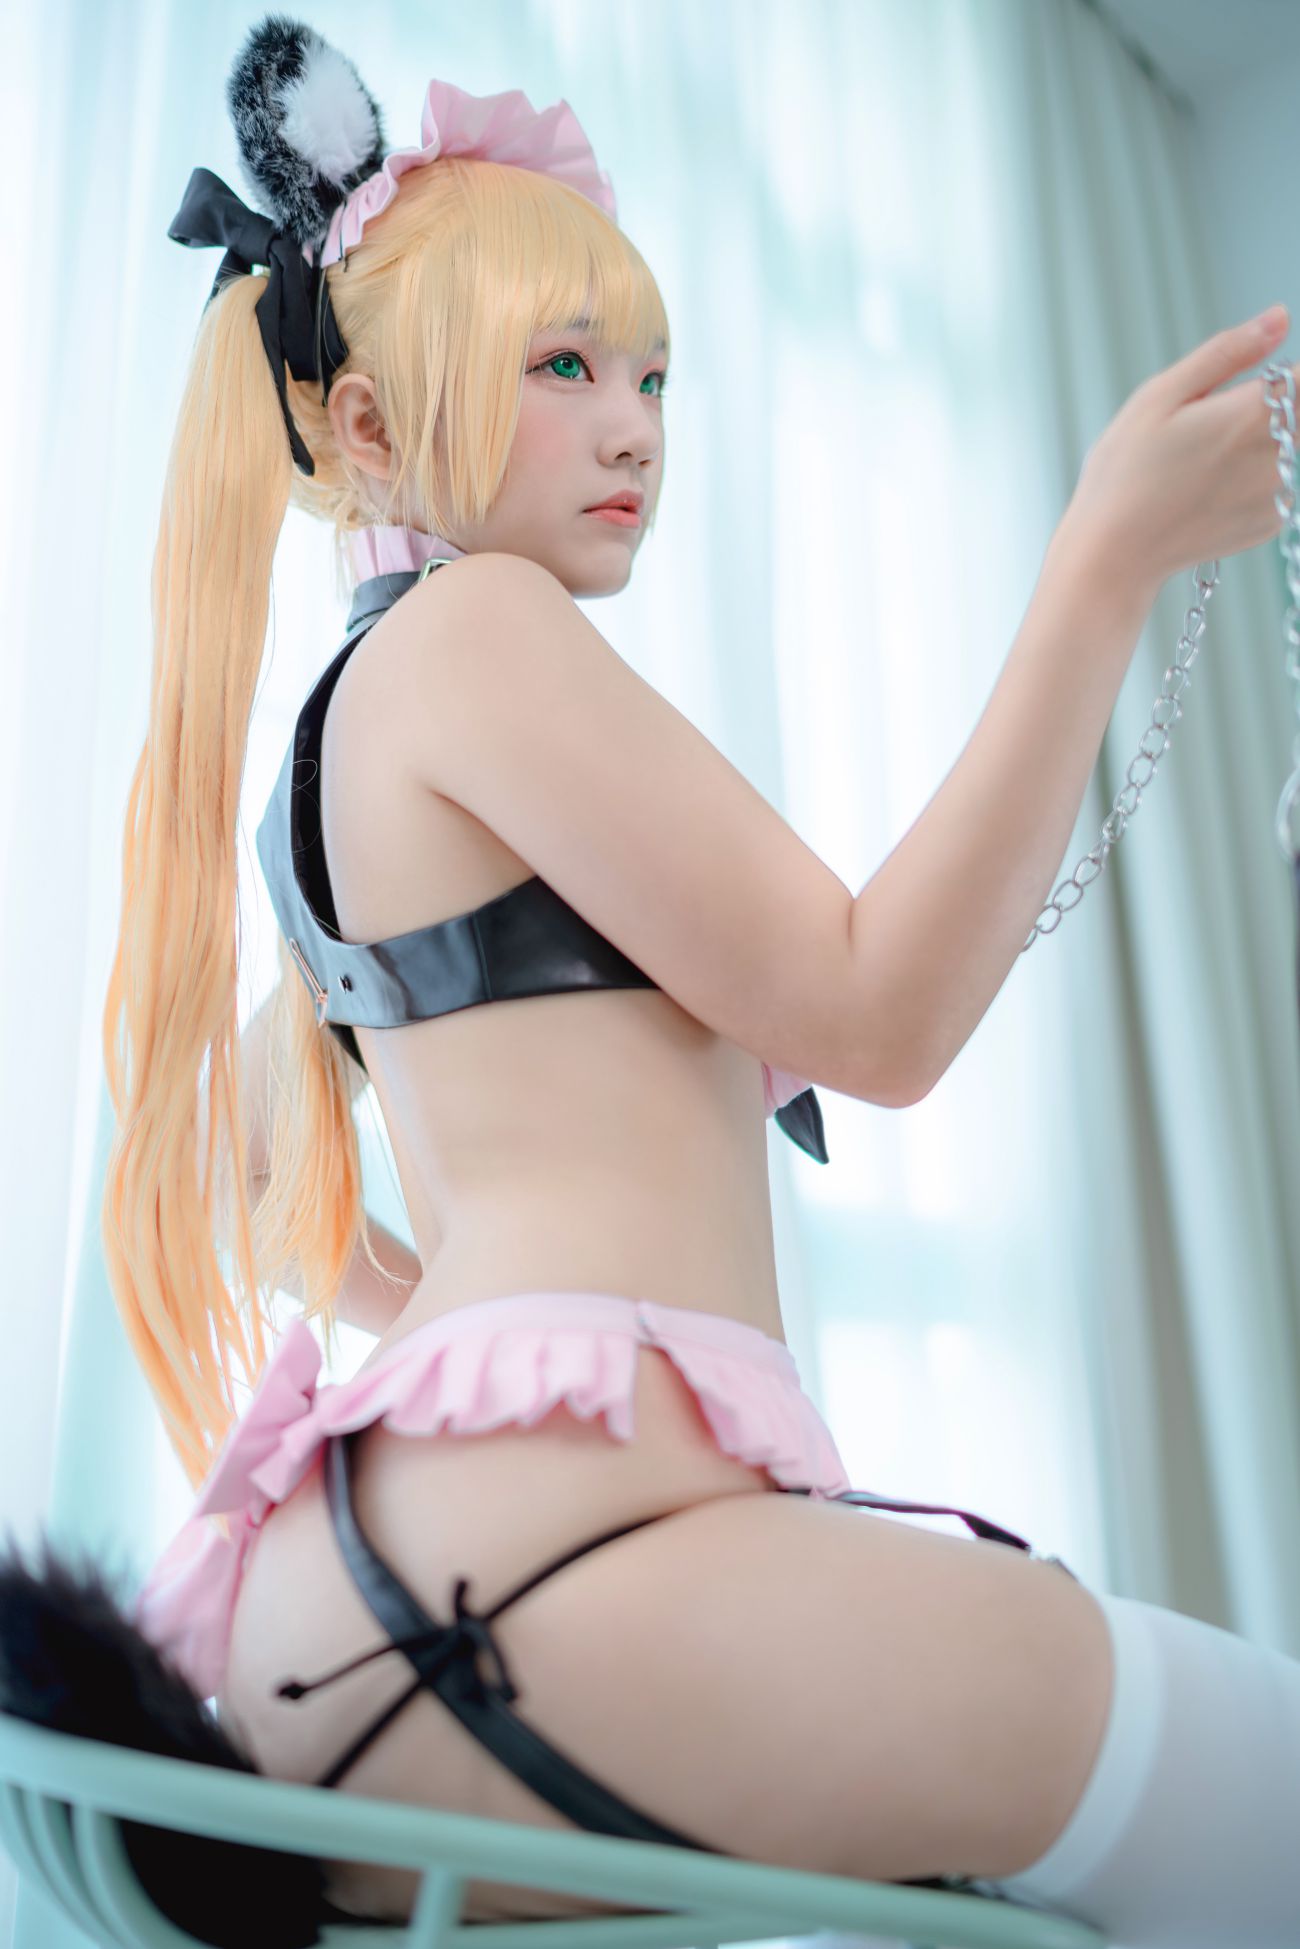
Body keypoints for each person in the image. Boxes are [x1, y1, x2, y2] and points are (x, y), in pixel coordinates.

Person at [4, 15, 1300, 1946]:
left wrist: (468, 1316)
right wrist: (1102, 563)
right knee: (1261, 1781)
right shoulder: (481, 631)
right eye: (564, 366)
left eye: (652, 375)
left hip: (401, 1621)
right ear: (372, 430)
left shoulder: (358, 729)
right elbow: (874, 1012)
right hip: (519, 1601)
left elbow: (234, 1156)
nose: (633, 426)